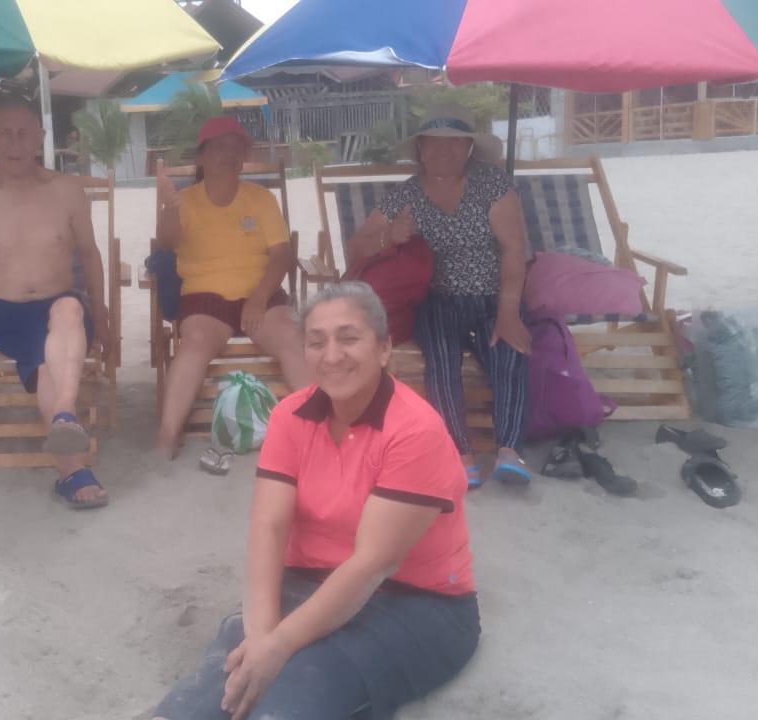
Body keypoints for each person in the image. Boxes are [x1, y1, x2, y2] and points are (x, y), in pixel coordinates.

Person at [153, 282, 479, 720]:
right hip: (308, 579)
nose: (332, 356)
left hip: (416, 600)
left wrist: (281, 645)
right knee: (228, 668)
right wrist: (262, 637)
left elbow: (373, 564)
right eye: (317, 341)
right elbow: (268, 528)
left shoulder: (414, 431)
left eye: (349, 338)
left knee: (300, 685)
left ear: (384, 349)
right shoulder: (290, 415)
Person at [347, 103, 531, 489]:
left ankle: (509, 450)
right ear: (421, 150)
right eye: (433, 143)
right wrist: (389, 236)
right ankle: (460, 453)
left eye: (454, 143)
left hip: (493, 294)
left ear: (469, 148)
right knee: (441, 359)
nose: (443, 150)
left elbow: (515, 249)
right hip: (437, 297)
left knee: (509, 351)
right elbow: (357, 247)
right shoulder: (407, 194)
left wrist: (509, 312)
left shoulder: (492, 184)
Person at [0, 99, 110, 509]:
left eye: (24, 133)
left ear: (40, 138)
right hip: (5, 313)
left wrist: (103, 315)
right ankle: (69, 440)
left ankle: (67, 438)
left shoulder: (66, 190)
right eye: (4, 133)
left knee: (69, 311)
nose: (14, 142)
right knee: (44, 349)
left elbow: (90, 254)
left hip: (64, 308)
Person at [154, 116, 308, 458]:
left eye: (236, 148)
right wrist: (170, 209)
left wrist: (259, 297)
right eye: (219, 147)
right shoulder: (186, 200)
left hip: (261, 294)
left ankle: (320, 430)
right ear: (201, 157)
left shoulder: (261, 199)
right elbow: (167, 243)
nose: (229, 154)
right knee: (194, 343)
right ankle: (167, 437)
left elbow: (281, 255)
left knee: (291, 338)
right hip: (204, 297)